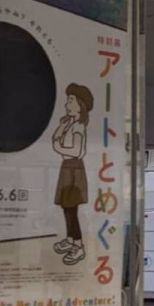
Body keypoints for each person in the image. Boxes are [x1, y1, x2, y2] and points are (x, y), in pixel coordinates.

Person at [52, 84, 93, 266]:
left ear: (80, 105)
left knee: (72, 209)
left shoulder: (78, 127)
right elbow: (55, 138)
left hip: (74, 168)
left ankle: (78, 244)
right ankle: (70, 239)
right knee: (66, 208)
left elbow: (77, 151)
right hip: (68, 168)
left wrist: (58, 147)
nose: (66, 104)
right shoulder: (70, 124)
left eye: (71, 101)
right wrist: (62, 126)